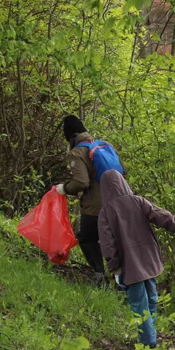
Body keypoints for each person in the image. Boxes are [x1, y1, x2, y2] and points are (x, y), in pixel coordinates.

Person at [97, 170, 175, 347]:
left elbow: (108, 245)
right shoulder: (138, 201)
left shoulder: (105, 213)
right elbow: (163, 216)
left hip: (129, 266)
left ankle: (148, 342)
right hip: (148, 260)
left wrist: (116, 269)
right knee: (152, 299)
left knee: (140, 303)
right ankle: (150, 340)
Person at [54, 115, 119, 286]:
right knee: (114, 239)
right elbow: (123, 171)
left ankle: (100, 276)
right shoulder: (105, 145)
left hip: (96, 207)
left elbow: (81, 182)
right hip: (120, 202)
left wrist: (65, 188)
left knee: (86, 238)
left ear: (70, 137)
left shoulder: (77, 152)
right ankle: (121, 281)